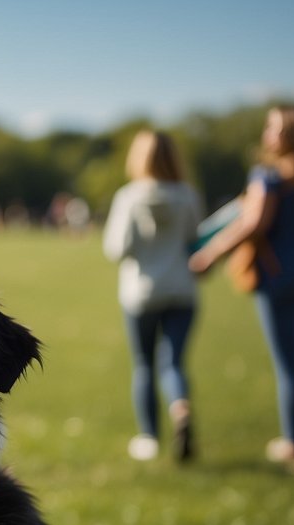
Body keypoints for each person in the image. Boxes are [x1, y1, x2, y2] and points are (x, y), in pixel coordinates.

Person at [189, 105, 294, 470]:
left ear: (289, 136)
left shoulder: (268, 177)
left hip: (280, 280)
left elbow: (254, 222)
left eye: (272, 128)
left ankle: (293, 444)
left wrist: (210, 254)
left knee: (290, 366)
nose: (266, 135)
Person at [103, 130, 203, 462]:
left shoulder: (129, 197)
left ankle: (148, 438)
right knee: (173, 362)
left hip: (141, 292)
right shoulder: (188, 195)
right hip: (182, 291)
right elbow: (195, 241)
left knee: (144, 365)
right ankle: (180, 407)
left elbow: (117, 248)